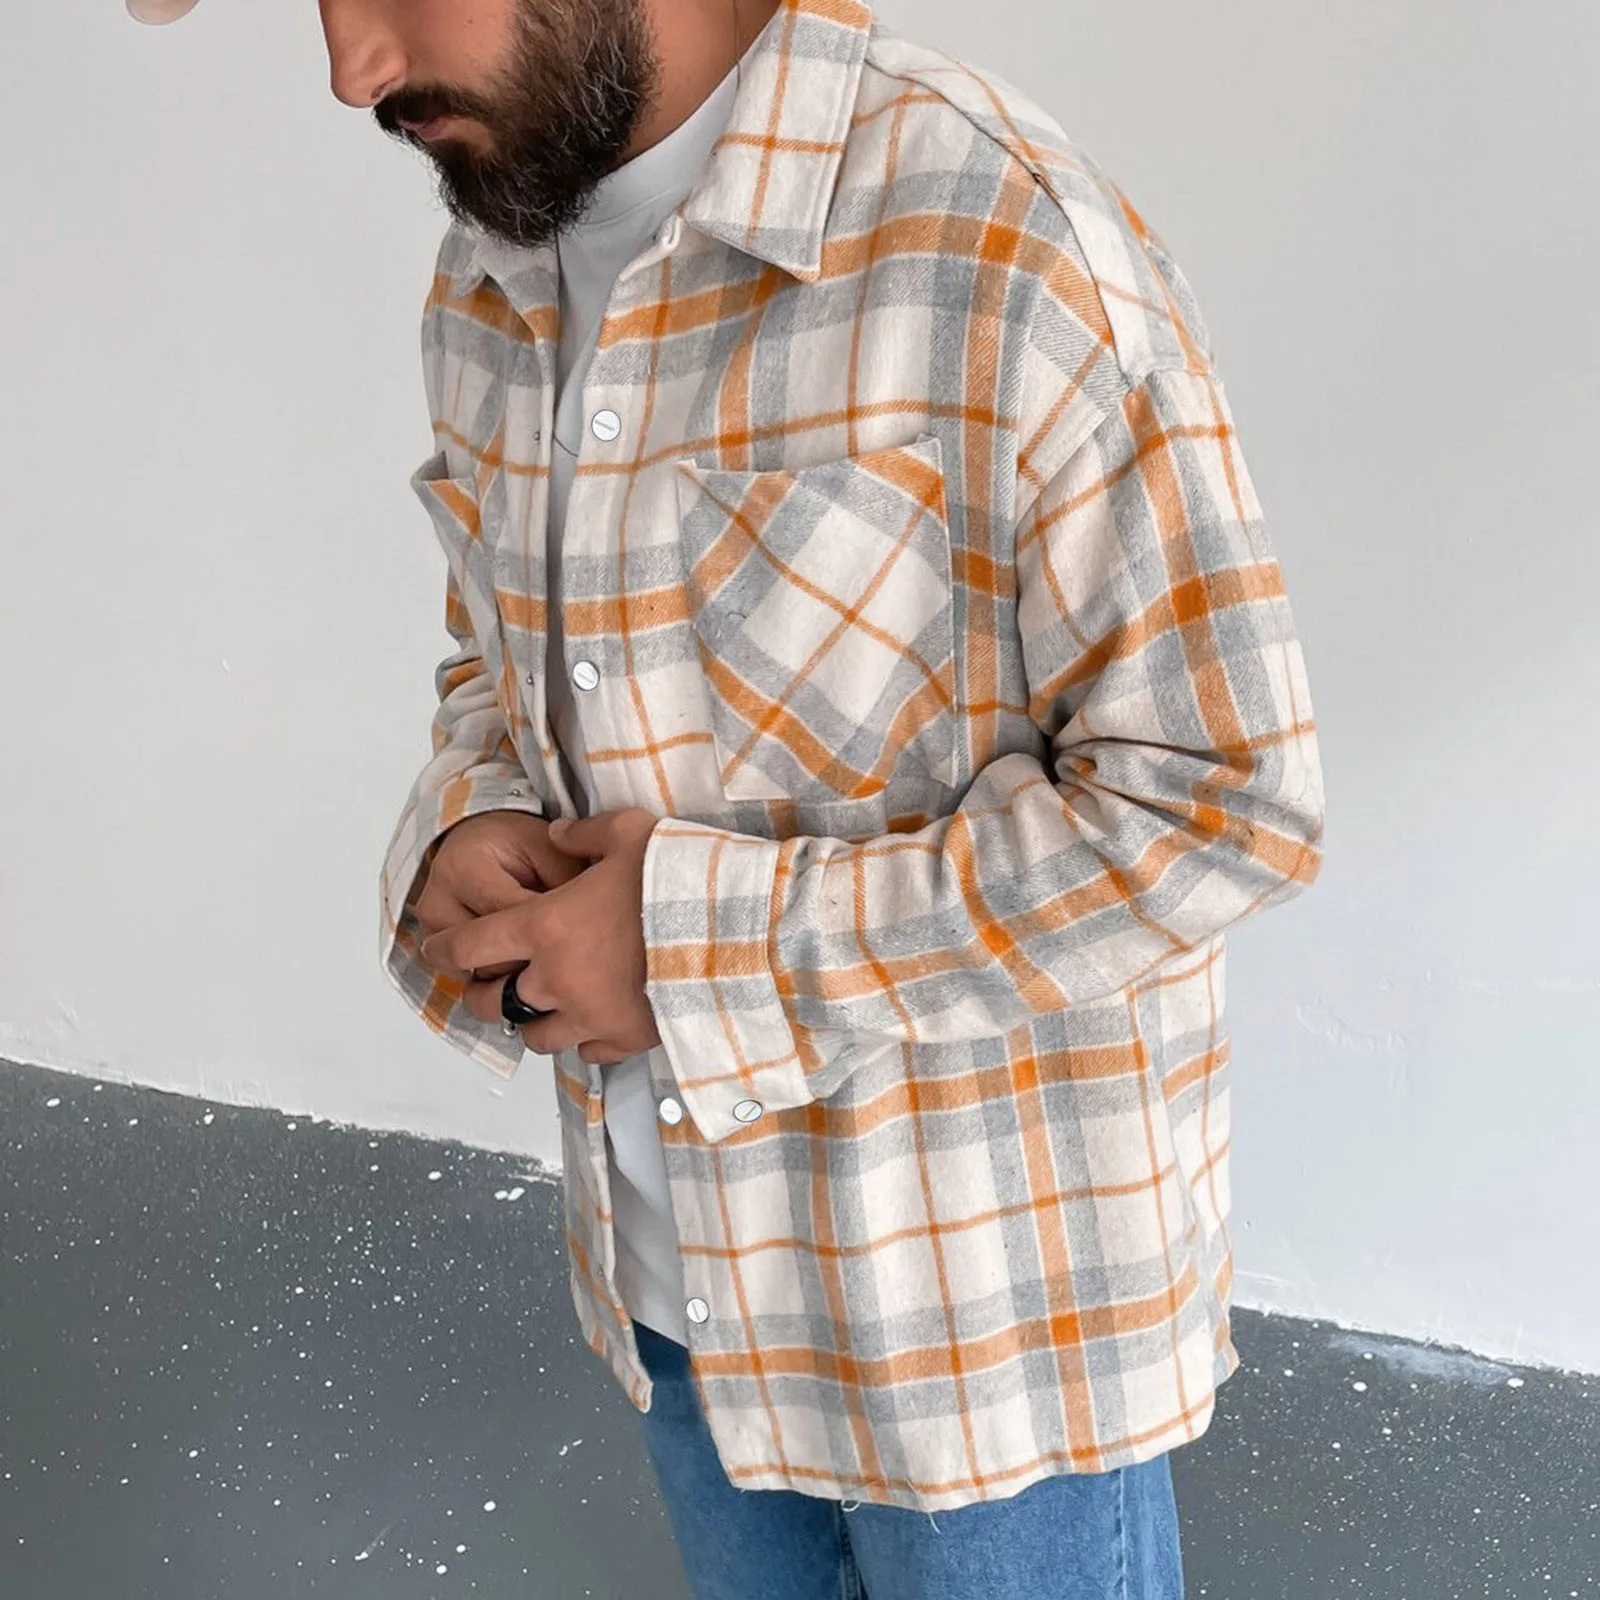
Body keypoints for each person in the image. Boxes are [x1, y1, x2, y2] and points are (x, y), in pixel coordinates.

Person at [130, 0, 1325, 1593]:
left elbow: (1224, 804)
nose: (353, 68)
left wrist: (691, 953)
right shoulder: (494, 273)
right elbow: (497, 664)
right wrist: (469, 823)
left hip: (979, 1350)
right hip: (671, 1293)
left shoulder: (995, 230)